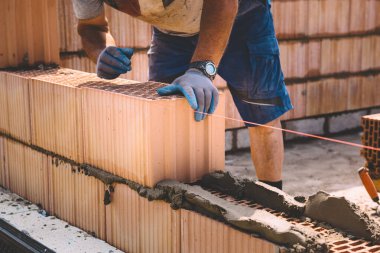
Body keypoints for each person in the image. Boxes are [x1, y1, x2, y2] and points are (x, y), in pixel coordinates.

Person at [72, 0, 293, 190]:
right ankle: (181, 199)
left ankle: (272, 202)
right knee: (165, 118)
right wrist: (101, 51)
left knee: (262, 115)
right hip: (172, 33)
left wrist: (202, 69)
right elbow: (92, 27)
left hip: (244, 17)